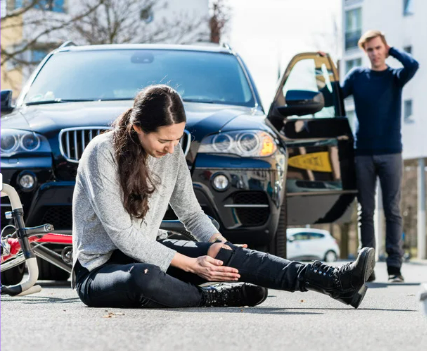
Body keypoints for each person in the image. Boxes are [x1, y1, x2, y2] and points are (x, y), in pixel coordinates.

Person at [71, 84, 376, 309]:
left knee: (221, 252)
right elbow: (122, 235)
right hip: (99, 271)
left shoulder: (172, 150)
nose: (171, 147)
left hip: (149, 249)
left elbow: (190, 213)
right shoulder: (102, 152)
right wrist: (192, 265)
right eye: (164, 140)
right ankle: (210, 296)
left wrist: (220, 244)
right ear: (138, 128)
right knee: (145, 276)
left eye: (177, 138)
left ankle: (332, 281)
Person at [341, 30, 419, 283]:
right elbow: (335, 94)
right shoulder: (357, 77)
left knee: (393, 210)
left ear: (384, 48)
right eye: (370, 50)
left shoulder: (395, 77)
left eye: (378, 48)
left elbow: (413, 64)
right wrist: (325, 65)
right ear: (365, 53)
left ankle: (395, 268)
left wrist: (392, 49)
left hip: (391, 153)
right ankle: (367, 267)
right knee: (366, 212)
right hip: (362, 152)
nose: (374, 53)